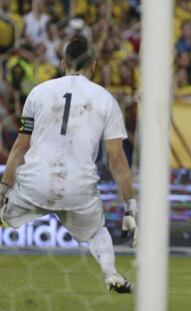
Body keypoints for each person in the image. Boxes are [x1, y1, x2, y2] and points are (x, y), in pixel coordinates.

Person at [0, 36, 137, 294]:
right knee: (98, 232)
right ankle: (111, 273)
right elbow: (117, 159)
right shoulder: (106, 100)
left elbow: (20, 147)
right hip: (78, 188)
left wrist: (3, 190)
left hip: (34, 184)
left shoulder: (38, 93)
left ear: (62, 62)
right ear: (93, 65)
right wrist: (130, 207)